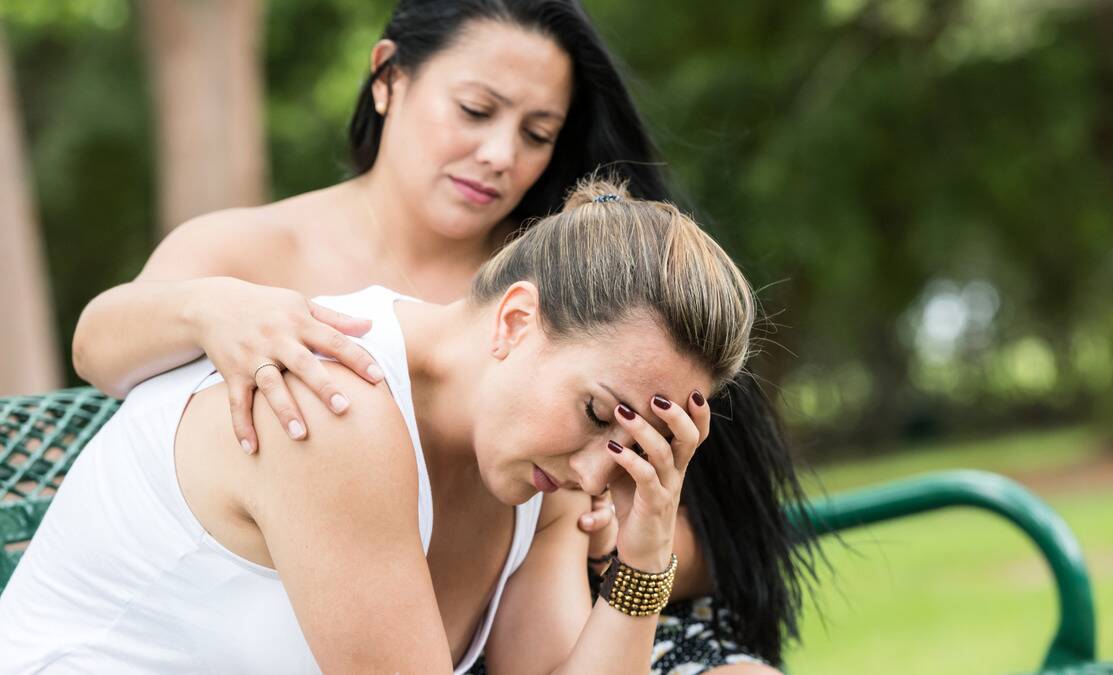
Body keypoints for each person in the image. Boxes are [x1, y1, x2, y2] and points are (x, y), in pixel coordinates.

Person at [70, 1, 817, 670]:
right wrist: (210, 308)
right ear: (388, 79)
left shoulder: (568, 345)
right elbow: (99, 347)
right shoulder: (321, 361)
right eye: (475, 109)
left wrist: (632, 552)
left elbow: (705, 540)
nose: (500, 153)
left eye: (536, 132)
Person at [0, 180, 754, 673]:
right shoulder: (335, 402)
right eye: (598, 413)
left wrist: (646, 549)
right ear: (517, 320)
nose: (597, 474)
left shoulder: (537, 471)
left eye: (628, 451)